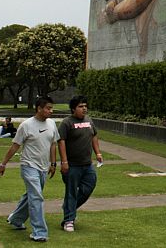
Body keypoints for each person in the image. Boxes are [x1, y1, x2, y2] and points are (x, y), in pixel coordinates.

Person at [0, 96, 60, 242]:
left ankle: (15, 220)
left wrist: (53, 163)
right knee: (36, 197)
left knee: (31, 196)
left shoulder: (51, 124)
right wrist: (3, 164)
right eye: (48, 108)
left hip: (43, 167)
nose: (51, 111)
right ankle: (40, 233)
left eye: (52, 108)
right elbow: (15, 145)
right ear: (39, 108)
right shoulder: (26, 125)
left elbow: (53, 144)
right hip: (29, 166)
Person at [58, 95, 103, 233]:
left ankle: (68, 208)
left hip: (87, 164)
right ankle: (69, 220)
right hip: (72, 165)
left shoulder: (89, 121)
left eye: (85, 106)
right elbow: (61, 141)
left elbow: (94, 135)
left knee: (89, 186)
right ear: (73, 109)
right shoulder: (66, 123)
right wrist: (64, 162)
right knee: (71, 192)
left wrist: (98, 153)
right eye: (80, 106)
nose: (84, 109)